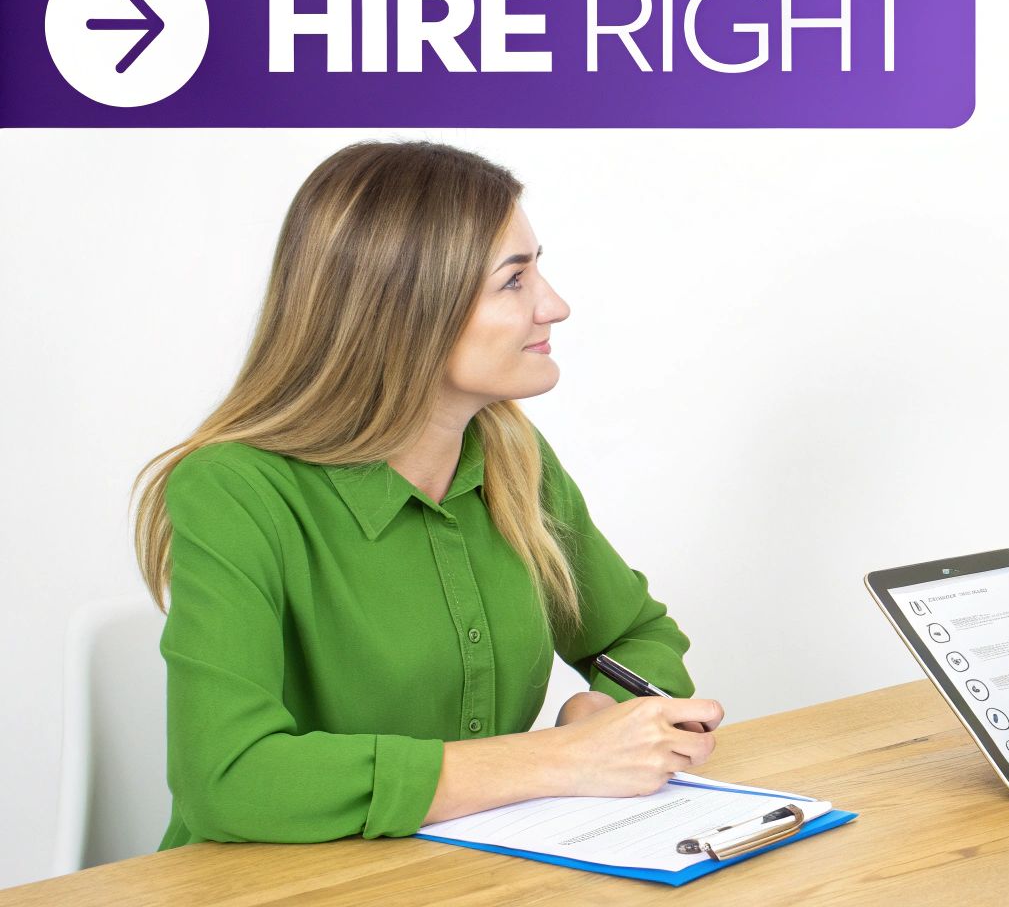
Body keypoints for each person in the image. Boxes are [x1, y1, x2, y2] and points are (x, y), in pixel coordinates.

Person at [132, 141, 723, 849]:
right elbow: (227, 779)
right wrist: (550, 761)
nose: (555, 306)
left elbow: (635, 635)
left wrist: (605, 712)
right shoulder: (234, 489)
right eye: (514, 281)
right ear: (406, 308)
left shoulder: (515, 461)